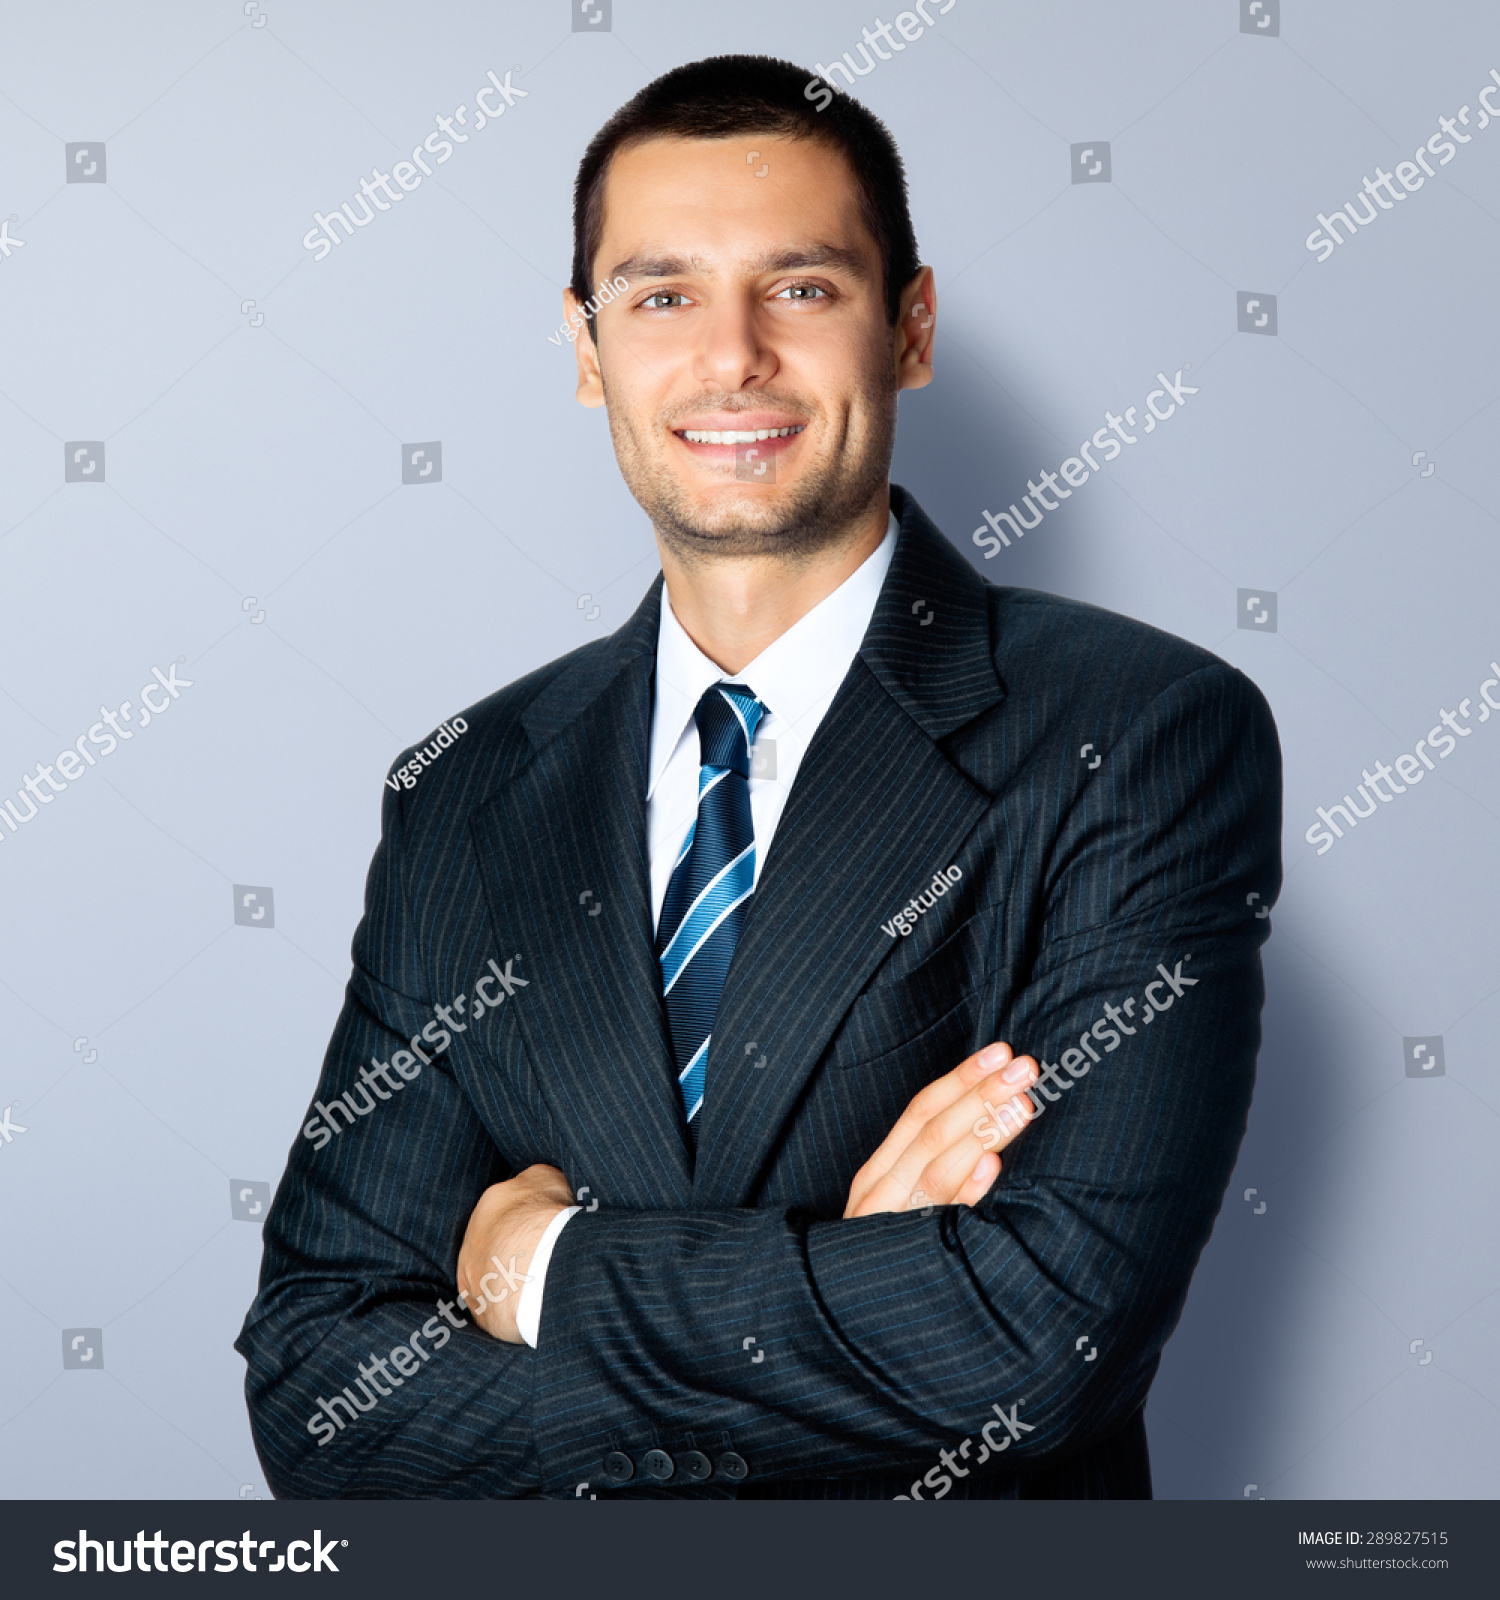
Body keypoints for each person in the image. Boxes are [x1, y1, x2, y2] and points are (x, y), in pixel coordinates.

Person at [237, 54, 1281, 1499]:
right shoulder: (466, 792)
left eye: (801, 287)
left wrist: (538, 1272)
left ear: (909, 325)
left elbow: (1039, 1346)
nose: (730, 359)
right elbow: (320, 1393)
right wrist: (854, 1277)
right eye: (661, 296)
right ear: (587, 344)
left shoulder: (1141, 732)